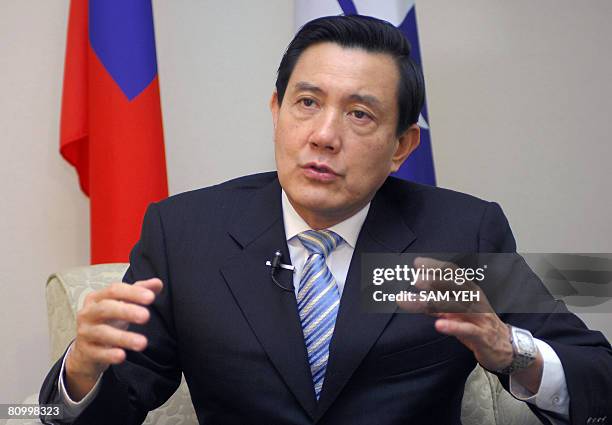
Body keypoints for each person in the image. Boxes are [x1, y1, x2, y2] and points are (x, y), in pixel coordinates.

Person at [40, 15, 611, 425]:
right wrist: (80, 373)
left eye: (360, 114)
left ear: (402, 146)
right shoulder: (186, 233)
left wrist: (513, 349)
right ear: (276, 110)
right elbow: (64, 414)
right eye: (307, 102)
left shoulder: (461, 234)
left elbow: (598, 378)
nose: (323, 135)